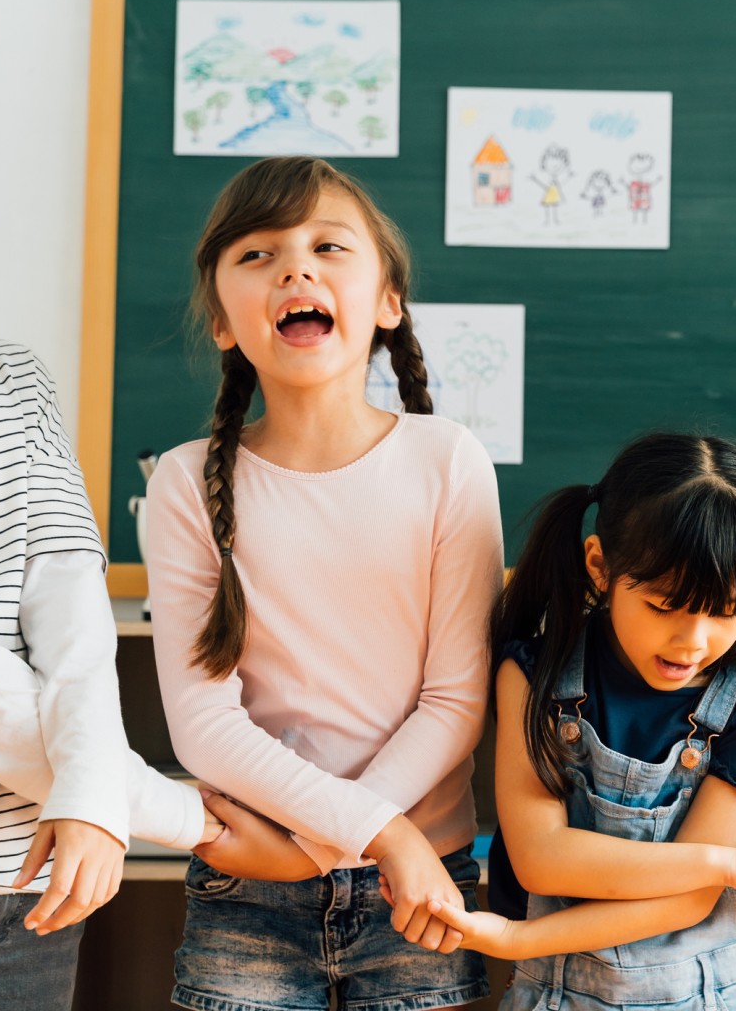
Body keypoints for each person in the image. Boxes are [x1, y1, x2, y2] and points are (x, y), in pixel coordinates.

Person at [145, 156, 503, 1011]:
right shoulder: (185, 481)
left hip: (415, 890)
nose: (296, 269)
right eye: (258, 255)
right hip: (251, 899)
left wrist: (322, 848)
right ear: (223, 319)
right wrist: (377, 834)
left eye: (328, 247)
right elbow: (202, 725)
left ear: (388, 303)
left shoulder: (446, 460)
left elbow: (455, 700)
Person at [423, 432, 736, 1010]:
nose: (692, 642)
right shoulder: (535, 676)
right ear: (600, 567)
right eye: (664, 606)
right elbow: (544, 860)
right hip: (558, 992)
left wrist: (522, 938)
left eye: (727, 612)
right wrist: (729, 865)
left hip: (710, 992)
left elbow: (689, 902)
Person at [0, 339, 220, 1010]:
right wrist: (179, 814)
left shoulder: (10, 375)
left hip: (26, 880)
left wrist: (93, 795)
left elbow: (71, 605)